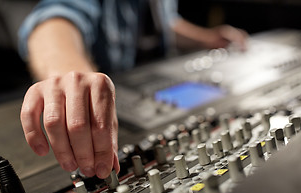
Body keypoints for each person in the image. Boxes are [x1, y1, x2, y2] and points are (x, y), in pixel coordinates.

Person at [18, 0, 248, 179]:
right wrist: (68, 76)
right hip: (108, 119)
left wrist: (206, 38)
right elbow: (54, 19)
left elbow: (166, 22)